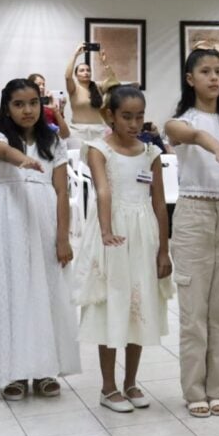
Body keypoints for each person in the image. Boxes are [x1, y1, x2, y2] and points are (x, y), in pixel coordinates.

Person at [165, 48, 219, 419]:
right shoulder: (180, 121)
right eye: (205, 71)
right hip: (193, 214)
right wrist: (213, 143)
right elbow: (184, 134)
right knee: (193, 311)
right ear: (190, 79)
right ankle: (194, 390)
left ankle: (218, 389)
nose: (214, 78)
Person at [74, 86, 172, 413]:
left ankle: (131, 382)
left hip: (144, 234)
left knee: (137, 305)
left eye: (139, 117)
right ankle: (107, 386)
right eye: (126, 117)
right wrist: (105, 230)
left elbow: (159, 203)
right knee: (111, 306)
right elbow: (103, 190)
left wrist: (163, 251)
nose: (133, 124)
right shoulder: (98, 149)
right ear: (111, 116)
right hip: (113, 232)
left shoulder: (150, 153)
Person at [0, 78, 79, 401]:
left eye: (33, 103)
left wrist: (63, 237)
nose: (27, 110)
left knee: (47, 291)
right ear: (7, 108)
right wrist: (20, 159)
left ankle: (45, 369)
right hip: (9, 217)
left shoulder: (54, 142)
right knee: (14, 291)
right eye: (19, 104)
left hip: (45, 218)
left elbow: (63, 191)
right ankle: (13, 371)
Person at [65, 43, 118, 144]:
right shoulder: (73, 88)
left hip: (98, 131)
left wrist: (104, 62)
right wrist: (75, 55)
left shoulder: (98, 87)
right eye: (82, 70)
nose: (86, 72)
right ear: (76, 75)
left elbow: (113, 80)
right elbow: (68, 76)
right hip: (78, 131)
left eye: (88, 70)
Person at [28, 72, 71, 140]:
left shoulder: (49, 103)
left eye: (43, 84)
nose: (42, 87)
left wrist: (61, 108)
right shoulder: (28, 104)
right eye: (38, 84)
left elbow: (58, 125)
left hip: (53, 137)